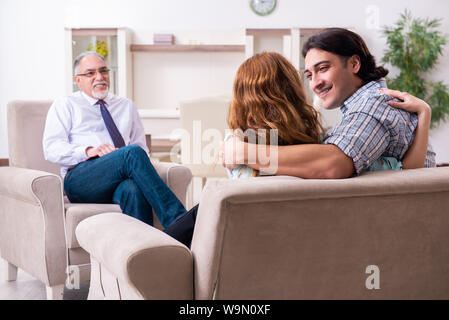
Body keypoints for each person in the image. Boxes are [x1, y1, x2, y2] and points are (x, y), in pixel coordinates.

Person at [164, 50, 433, 247]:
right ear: (293, 90)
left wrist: (241, 151)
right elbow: (407, 170)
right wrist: (423, 115)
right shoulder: (329, 149)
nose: (315, 82)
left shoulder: (245, 153)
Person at [222, 28, 436, 178]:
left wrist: (242, 152)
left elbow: (334, 164)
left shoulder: (374, 106)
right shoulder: (364, 106)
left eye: (323, 69)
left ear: (354, 64)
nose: (315, 83)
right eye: (309, 75)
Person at [43, 51, 189, 228]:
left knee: (133, 190)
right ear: (78, 80)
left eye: (103, 71)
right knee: (130, 153)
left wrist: (123, 159)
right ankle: (180, 223)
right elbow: (51, 148)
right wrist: (88, 151)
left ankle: (144, 250)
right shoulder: (66, 104)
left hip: (119, 177)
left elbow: (141, 148)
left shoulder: (126, 106)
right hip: (81, 179)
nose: (99, 77)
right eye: (90, 73)